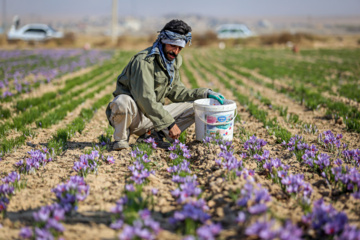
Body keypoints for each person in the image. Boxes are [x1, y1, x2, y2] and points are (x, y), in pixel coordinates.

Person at [106, 19, 225, 150]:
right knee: (122, 101)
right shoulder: (144, 61)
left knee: (196, 107)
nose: (176, 51)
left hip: (151, 117)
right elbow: (145, 98)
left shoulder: (171, 61)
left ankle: (151, 136)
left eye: (180, 48)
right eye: (173, 46)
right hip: (133, 116)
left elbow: (177, 91)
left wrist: (205, 93)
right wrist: (169, 123)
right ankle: (121, 140)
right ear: (163, 41)